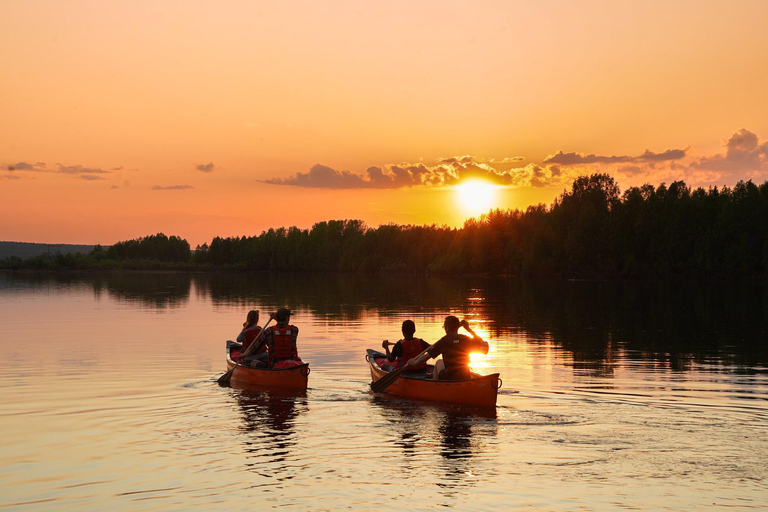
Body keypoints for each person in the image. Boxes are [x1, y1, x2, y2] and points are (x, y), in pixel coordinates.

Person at [405, 315, 488, 380]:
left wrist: (414, 363)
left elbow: (425, 357)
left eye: (444, 327)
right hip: (465, 375)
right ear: (458, 327)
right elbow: (482, 344)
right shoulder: (465, 339)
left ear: (447, 328)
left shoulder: (443, 341)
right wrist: (468, 329)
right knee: (441, 361)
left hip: (450, 376)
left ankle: (435, 384)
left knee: (438, 363)